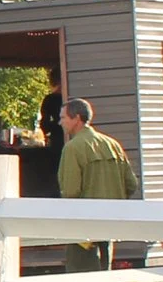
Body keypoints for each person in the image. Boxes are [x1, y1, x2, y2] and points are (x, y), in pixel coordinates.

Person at [56, 96, 140, 271]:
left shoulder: (72, 148)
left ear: (77, 118)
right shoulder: (113, 145)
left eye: (63, 117)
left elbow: (70, 191)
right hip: (110, 224)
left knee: (81, 280)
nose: (60, 122)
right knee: (105, 278)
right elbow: (131, 184)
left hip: (82, 229)